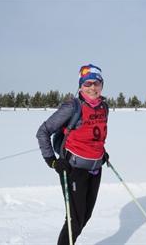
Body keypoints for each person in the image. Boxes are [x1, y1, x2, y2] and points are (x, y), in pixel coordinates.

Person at [36, 64, 109, 245]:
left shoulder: (103, 107)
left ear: (101, 84)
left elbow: (94, 134)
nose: (92, 87)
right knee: (74, 221)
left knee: (85, 216)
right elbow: (43, 131)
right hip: (73, 169)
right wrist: (52, 161)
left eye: (96, 83)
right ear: (80, 86)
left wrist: (102, 152)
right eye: (87, 84)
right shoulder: (72, 107)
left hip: (95, 169)